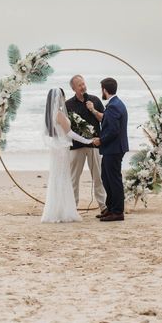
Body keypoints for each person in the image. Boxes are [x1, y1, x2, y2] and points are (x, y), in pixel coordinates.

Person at [41, 88, 96, 223]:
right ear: (59, 98)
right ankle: (64, 212)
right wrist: (88, 140)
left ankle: (56, 211)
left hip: (56, 149)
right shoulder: (59, 114)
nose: (64, 99)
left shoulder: (49, 115)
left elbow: (52, 133)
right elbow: (70, 133)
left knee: (57, 178)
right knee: (63, 178)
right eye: (63, 97)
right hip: (62, 149)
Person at [65, 75, 107, 213]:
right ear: (73, 88)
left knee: (98, 177)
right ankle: (72, 207)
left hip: (94, 144)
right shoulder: (68, 104)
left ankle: (103, 207)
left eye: (83, 84)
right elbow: (66, 127)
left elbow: (105, 120)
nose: (83, 87)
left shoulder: (94, 100)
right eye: (79, 85)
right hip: (76, 146)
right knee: (73, 178)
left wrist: (93, 110)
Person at [90, 78, 129, 222]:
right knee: (107, 178)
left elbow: (113, 130)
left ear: (104, 90)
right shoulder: (116, 104)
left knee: (113, 180)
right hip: (113, 148)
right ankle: (111, 208)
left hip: (113, 148)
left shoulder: (113, 106)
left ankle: (118, 212)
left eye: (102, 89)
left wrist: (100, 140)